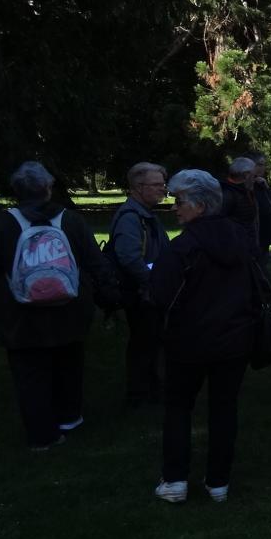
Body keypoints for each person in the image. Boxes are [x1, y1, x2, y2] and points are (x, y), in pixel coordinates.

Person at [0, 162, 117, 450]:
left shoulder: (1, 224)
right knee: (69, 366)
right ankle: (70, 418)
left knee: (30, 374)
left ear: (15, 191)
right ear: (48, 188)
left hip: (20, 316)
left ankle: (42, 435)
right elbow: (94, 261)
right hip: (70, 310)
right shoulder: (71, 221)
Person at [150, 170, 260, 504]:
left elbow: (161, 296)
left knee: (179, 407)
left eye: (180, 201)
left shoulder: (182, 247)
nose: (175, 207)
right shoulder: (242, 239)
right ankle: (218, 481)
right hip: (233, 339)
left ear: (199, 205)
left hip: (189, 342)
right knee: (223, 408)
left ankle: (175, 479)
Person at [107, 162, 172, 409]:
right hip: (140, 294)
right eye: (156, 185)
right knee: (144, 344)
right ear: (137, 187)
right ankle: (140, 396)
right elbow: (129, 258)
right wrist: (153, 283)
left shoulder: (145, 214)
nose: (162, 190)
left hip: (148, 291)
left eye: (162, 184)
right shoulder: (131, 218)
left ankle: (151, 392)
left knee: (151, 342)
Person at [243, 151, 271, 269]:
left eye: (263, 165)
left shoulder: (263, 185)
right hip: (252, 236)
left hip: (264, 235)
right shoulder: (246, 186)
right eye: (260, 164)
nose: (263, 168)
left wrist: (267, 189)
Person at [220, 156, 259, 245]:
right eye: (254, 176)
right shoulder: (227, 195)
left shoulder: (245, 192)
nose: (255, 180)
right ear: (246, 175)